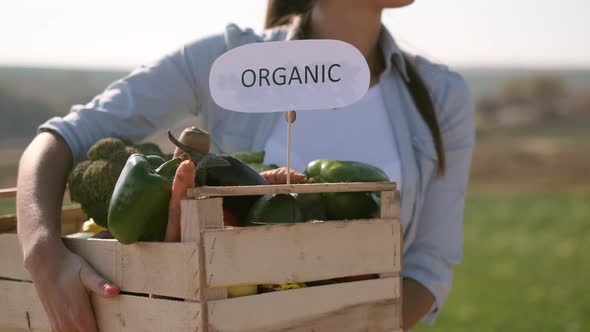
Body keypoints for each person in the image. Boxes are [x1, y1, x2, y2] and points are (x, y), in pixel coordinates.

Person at [16, 0, 474, 331]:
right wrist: (42, 252)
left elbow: (428, 266)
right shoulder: (228, 60)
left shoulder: (441, 95)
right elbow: (61, 139)